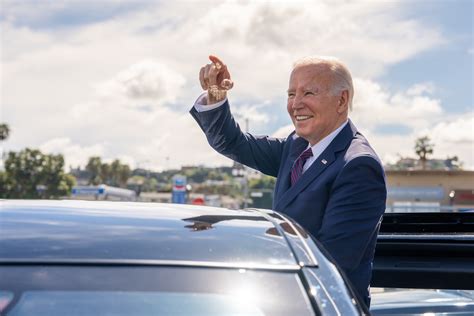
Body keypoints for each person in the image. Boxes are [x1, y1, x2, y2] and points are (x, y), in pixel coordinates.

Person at [190, 55, 387, 307]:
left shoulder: (358, 166)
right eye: (291, 94)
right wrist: (216, 96)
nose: (296, 104)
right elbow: (233, 143)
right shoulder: (296, 146)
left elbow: (330, 264)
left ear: (342, 100)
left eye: (308, 93)